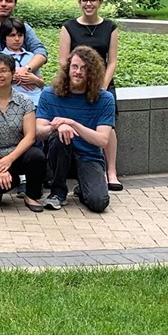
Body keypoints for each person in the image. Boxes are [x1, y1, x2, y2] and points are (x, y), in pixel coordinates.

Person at [58, 0, 122, 191]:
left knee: (108, 125)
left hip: (102, 85)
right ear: (79, 2)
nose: (88, 4)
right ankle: (89, 171)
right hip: (76, 83)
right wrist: (77, 81)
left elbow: (111, 61)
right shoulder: (68, 27)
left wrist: (101, 86)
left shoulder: (110, 28)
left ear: (100, 2)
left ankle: (111, 171)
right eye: (84, 0)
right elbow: (63, 61)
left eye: (92, 0)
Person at [36, 46, 114, 213]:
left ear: (92, 73)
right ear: (68, 67)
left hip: (89, 157)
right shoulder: (49, 94)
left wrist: (73, 124)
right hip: (59, 156)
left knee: (98, 203)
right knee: (60, 136)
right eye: (75, 67)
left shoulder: (105, 99)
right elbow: (39, 132)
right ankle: (57, 193)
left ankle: (83, 189)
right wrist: (57, 126)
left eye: (84, 69)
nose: (78, 72)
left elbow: (102, 140)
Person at [0, 53, 46, 211]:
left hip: (17, 153)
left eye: (4, 70)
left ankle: (31, 196)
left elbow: (30, 136)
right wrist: (0, 166)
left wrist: (9, 160)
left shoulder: (25, 101)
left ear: (13, 74)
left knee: (37, 156)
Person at [0, 17, 45, 106]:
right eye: (12, 35)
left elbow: (41, 83)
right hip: (13, 103)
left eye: (20, 35)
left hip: (36, 101)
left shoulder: (31, 57)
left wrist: (35, 79)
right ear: (4, 38)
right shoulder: (0, 58)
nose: (17, 39)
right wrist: (9, 78)